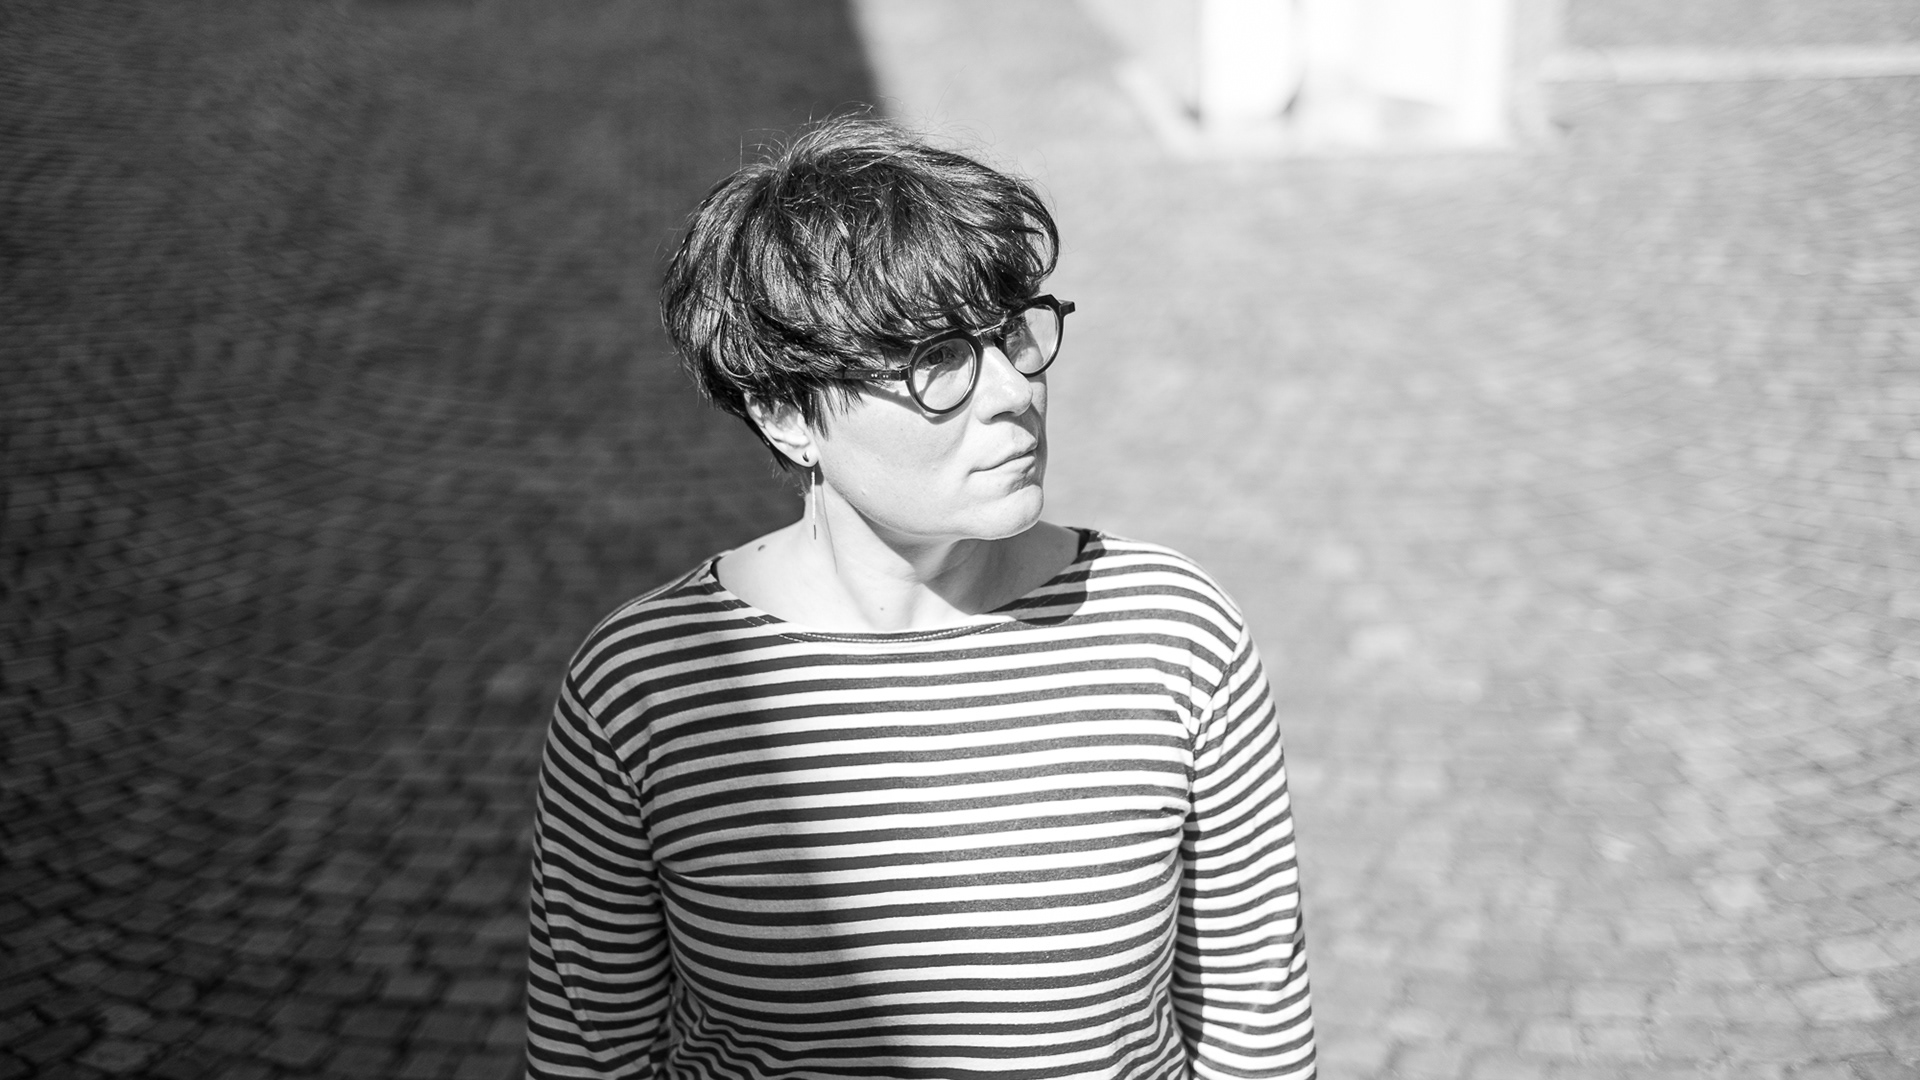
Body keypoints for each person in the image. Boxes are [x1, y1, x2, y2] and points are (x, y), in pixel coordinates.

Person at [525, 117, 1315, 1080]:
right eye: (938, 357)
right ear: (784, 412)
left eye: (1012, 332)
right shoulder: (644, 688)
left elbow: (1256, 1039)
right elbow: (589, 1056)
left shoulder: (1175, 635)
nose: (1013, 390)